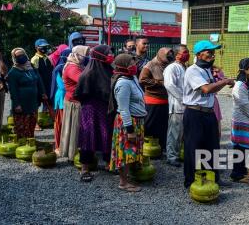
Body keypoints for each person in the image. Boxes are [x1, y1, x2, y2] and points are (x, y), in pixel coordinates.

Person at [183, 40, 235, 188]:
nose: (212, 54)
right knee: (193, 148)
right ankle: (191, 181)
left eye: (213, 51)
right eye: (209, 51)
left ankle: (213, 178)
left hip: (208, 113)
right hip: (194, 114)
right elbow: (206, 89)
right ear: (199, 54)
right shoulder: (193, 71)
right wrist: (225, 81)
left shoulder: (207, 70)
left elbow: (212, 90)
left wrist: (220, 81)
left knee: (212, 147)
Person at [74, 45, 115, 182]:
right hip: (90, 110)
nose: (111, 56)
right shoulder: (88, 73)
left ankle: (109, 163)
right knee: (88, 136)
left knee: (107, 135)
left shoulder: (110, 70)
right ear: (100, 55)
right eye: (108, 53)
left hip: (106, 109)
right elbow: (80, 94)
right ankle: (85, 168)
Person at [109, 54, 146, 192]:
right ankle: (123, 183)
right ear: (122, 66)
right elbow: (123, 109)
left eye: (134, 63)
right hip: (128, 122)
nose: (134, 66)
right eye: (131, 64)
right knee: (124, 152)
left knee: (132, 150)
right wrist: (130, 130)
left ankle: (128, 177)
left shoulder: (132, 78)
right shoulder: (123, 83)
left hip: (137, 120)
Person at [139, 47, 174, 152]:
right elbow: (142, 79)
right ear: (161, 54)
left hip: (166, 100)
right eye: (167, 55)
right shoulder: (151, 65)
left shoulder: (168, 65)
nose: (169, 57)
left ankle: (161, 147)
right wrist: (159, 83)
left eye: (170, 55)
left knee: (163, 125)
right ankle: (148, 149)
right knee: (150, 125)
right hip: (152, 100)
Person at [7, 48, 46, 140]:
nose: (21, 57)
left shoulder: (31, 67)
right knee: (21, 126)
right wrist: (17, 104)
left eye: (22, 54)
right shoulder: (13, 72)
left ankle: (30, 142)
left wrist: (43, 92)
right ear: (14, 58)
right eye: (18, 56)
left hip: (33, 102)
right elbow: (13, 90)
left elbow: (38, 80)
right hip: (21, 104)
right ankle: (22, 145)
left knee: (31, 124)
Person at [60, 45, 90, 160]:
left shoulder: (77, 65)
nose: (86, 58)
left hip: (75, 100)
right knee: (74, 128)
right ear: (77, 55)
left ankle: (72, 151)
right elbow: (83, 80)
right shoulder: (73, 67)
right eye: (84, 55)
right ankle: (73, 153)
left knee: (74, 127)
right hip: (74, 102)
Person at [163, 45, 189, 167]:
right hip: (177, 105)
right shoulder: (172, 68)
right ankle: (171, 156)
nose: (187, 54)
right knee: (175, 132)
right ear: (177, 54)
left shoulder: (185, 67)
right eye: (185, 52)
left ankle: (179, 154)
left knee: (184, 133)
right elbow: (169, 85)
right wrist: (183, 98)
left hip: (187, 105)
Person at [50, 49, 71, 154]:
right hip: (62, 98)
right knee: (60, 123)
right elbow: (62, 86)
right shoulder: (59, 68)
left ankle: (66, 146)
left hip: (66, 98)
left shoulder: (67, 67)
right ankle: (58, 146)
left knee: (67, 123)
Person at [31, 38, 53, 130]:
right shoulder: (34, 59)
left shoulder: (48, 58)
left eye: (45, 47)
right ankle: (35, 124)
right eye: (42, 47)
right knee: (36, 106)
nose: (44, 48)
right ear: (36, 48)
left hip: (48, 85)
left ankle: (51, 121)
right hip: (38, 86)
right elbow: (34, 75)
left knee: (49, 104)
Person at [212, 66, 225, 138]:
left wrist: (218, 73)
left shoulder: (216, 71)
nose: (214, 74)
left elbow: (221, 80)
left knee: (217, 122)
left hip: (213, 102)